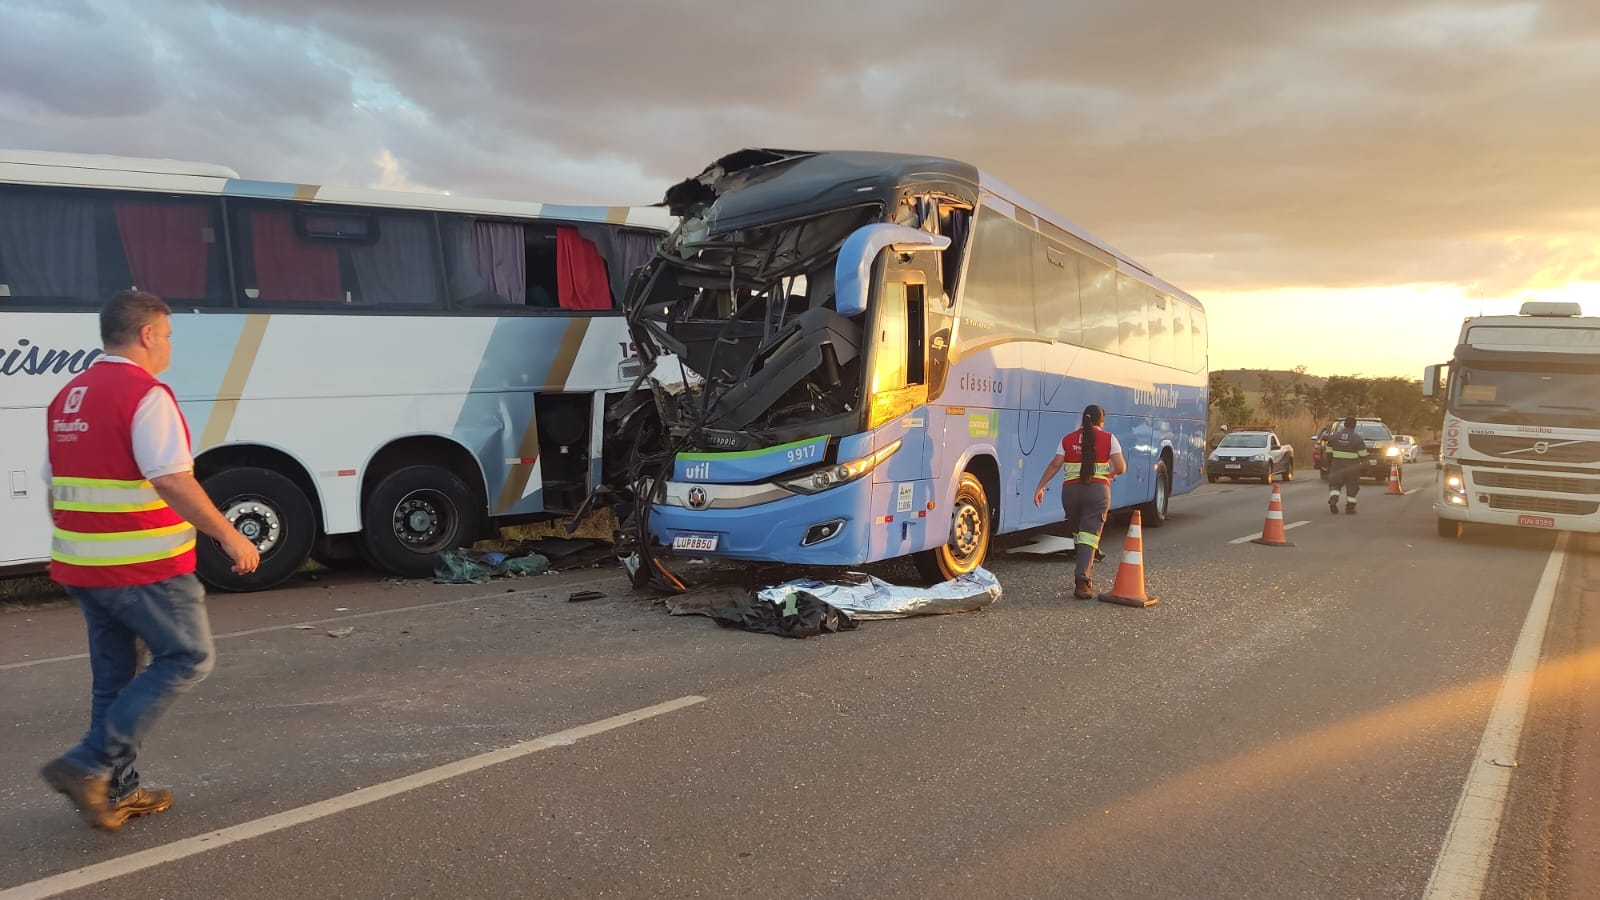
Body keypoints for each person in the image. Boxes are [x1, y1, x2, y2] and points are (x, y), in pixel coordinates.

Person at [39, 290, 260, 832]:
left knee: (114, 678)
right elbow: (170, 478)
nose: (169, 347)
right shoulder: (145, 394)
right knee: (187, 657)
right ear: (146, 335)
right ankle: (88, 764)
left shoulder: (70, 395)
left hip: (84, 567)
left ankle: (115, 791)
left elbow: (54, 487)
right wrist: (231, 536)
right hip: (144, 566)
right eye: (167, 336)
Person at [1033, 404, 1127, 599]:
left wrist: (1040, 486)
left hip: (1070, 493)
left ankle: (1086, 560)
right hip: (1097, 493)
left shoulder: (1067, 439)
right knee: (1088, 535)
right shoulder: (1109, 438)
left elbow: (1055, 464)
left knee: (1080, 533)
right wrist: (1111, 474)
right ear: (1101, 421)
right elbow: (1120, 466)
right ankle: (1082, 581)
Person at [1324, 415, 1368, 515]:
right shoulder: (1358, 439)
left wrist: (1329, 466)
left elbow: (1328, 453)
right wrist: (1366, 467)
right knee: (1352, 486)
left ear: (1344, 425)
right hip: (1352, 467)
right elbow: (1363, 456)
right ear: (1354, 426)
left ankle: (1334, 499)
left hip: (1337, 465)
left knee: (1335, 484)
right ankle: (1350, 508)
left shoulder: (1334, 437)